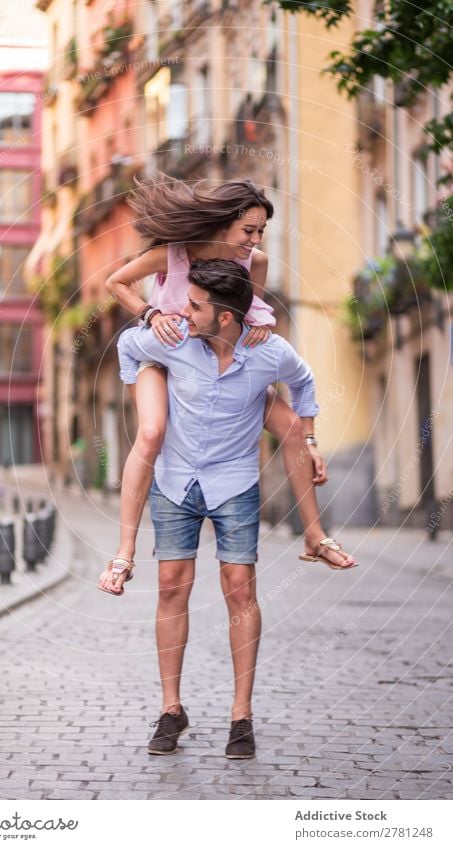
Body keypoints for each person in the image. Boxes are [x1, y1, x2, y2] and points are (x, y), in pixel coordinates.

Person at [101, 259, 357, 758]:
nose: (184, 309)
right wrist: (148, 401)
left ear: (224, 317)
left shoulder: (269, 353)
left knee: (240, 591)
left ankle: (242, 717)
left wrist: (308, 436)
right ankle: (171, 709)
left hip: (234, 482)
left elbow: (304, 384)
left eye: (195, 305)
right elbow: (128, 348)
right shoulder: (171, 339)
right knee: (172, 587)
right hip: (175, 480)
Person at [101, 175, 355, 594]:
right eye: (248, 230)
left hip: (217, 360)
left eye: (261, 231)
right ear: (223, 224)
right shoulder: (174, 254)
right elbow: (116, 283)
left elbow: (246, 311)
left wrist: (256, 325)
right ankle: (124, 551)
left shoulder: (254, 262)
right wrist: (152, 315)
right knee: (151, 432)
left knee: (292, 427)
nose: (254, 240)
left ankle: (314, 535)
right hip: (163, 356)